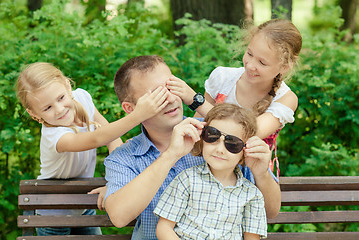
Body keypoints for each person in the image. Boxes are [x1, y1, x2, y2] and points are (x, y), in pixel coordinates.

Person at [104, 55, 280, 240]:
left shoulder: (217, 136)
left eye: (170, 87)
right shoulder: (124, 157)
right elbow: (119, 216)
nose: (171, 98)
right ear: (130, 109)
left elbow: (271, 210)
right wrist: (170, 155)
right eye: (157, 95)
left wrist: (262, 175)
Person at [16, 62, 169, 236]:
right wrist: (138, 115)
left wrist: (115, 183)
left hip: (83, 206)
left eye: (61, 98)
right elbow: (97, 138)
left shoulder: (82, 97)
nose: (59, 109)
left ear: (67, 85)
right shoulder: (55, 136)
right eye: (47, 108)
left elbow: (112, 139)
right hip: (53, 211)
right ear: (34, 114)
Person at [167, 19, 302, 177]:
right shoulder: (223, 78)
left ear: (284, 67)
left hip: (251, 177)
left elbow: (245, 133)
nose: (251, 65)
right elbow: (199, 128)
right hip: (206, 168)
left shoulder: (285, 99)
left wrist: (195, 100)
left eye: (262, 63)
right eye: (249, 54)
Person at [154, 103, 268, 240]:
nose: (220, 149)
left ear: (246, 150)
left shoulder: (252, 195)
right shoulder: (187, 180)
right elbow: (164, 228)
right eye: (212, 136)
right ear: (202, 138)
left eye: (232, 144)